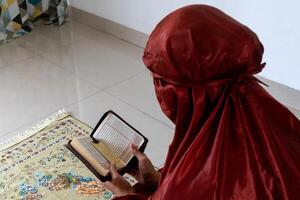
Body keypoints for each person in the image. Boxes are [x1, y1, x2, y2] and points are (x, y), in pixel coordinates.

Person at [104, 5, 300, 200]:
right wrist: (157, 179)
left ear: (187, 94)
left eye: (160, 82)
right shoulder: (270, 112)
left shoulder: (205, 177)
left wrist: (125, 194)